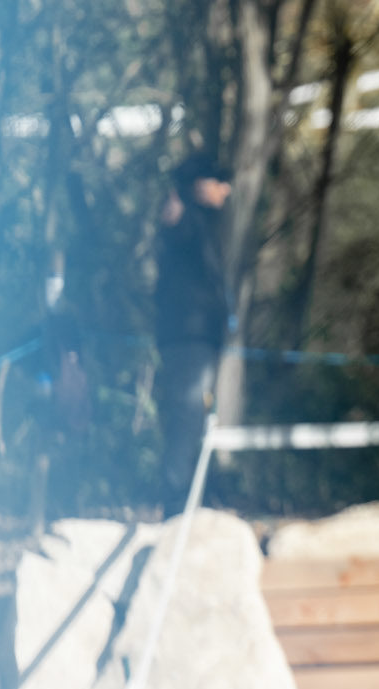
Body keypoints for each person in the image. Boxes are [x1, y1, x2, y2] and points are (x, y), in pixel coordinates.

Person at [152, 155, 233, 512]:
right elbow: (174, 228)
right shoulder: (186, 219)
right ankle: (176, 504)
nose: (226, 190)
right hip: (189, 339)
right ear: (201, 185)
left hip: (199, 337)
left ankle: (192, 498)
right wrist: (175, 213)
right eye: (220, 182)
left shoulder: (206, 224)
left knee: (195, 418)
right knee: (186, 416)